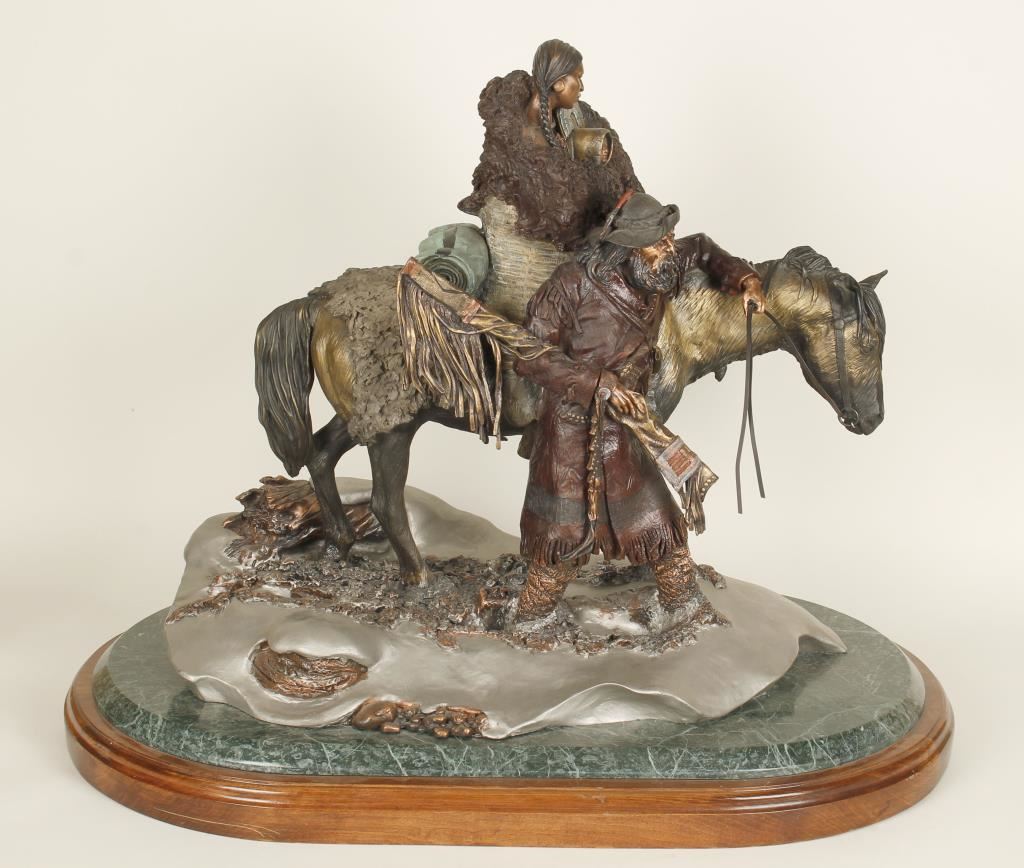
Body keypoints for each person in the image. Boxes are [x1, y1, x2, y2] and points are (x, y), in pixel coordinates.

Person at [511, 192, 766, 620]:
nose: (670, 249)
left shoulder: (658, 265)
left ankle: (685, 607)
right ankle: (531, 618)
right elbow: (528, 354)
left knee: (658, 523)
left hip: (625, 426)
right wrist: (597, 383)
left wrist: (745, 280)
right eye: (658, 242)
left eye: (669, 238)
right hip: (572, 430)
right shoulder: (571, 284)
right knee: (560, 542)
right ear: (627, 248)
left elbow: (702, 249)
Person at [458, 38, 642, 251]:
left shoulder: (567, 116)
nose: (582, 86)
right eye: (578, 77)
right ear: (558, 83)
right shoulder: (528, 135)